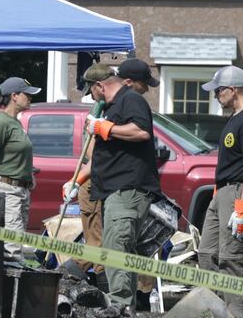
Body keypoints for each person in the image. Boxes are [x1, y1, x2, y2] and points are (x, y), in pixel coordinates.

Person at [62, 59, 160, 304]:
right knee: (116, 250)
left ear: (99, 86)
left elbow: (141, 131)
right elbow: (103, 156)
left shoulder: (131, 100)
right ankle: (123, 306)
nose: (93, 99)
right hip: (114, 191)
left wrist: (105, 127)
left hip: (127, 191)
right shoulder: (113, 106)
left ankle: (119, 306)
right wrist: (77, 180)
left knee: (116, 250)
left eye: (92, 93)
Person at [197, 65, 243, 317]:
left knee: (233, 260)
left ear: (232, 89)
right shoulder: (235, 117)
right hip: (223, 193)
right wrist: (218, 195)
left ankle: (239, 314)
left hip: (238, 193)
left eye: (218, 91)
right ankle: (220, 312)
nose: (215, 96)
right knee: (207, 255)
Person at [0, 77, 42, 262]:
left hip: (21, 189)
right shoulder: (0, 123)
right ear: (14, 96)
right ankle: (8, 288)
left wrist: (28, 173)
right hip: (7, 190)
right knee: (11, 249)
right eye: (27, 94)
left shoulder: (15, 122)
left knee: (16, 242)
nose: (30, 98)